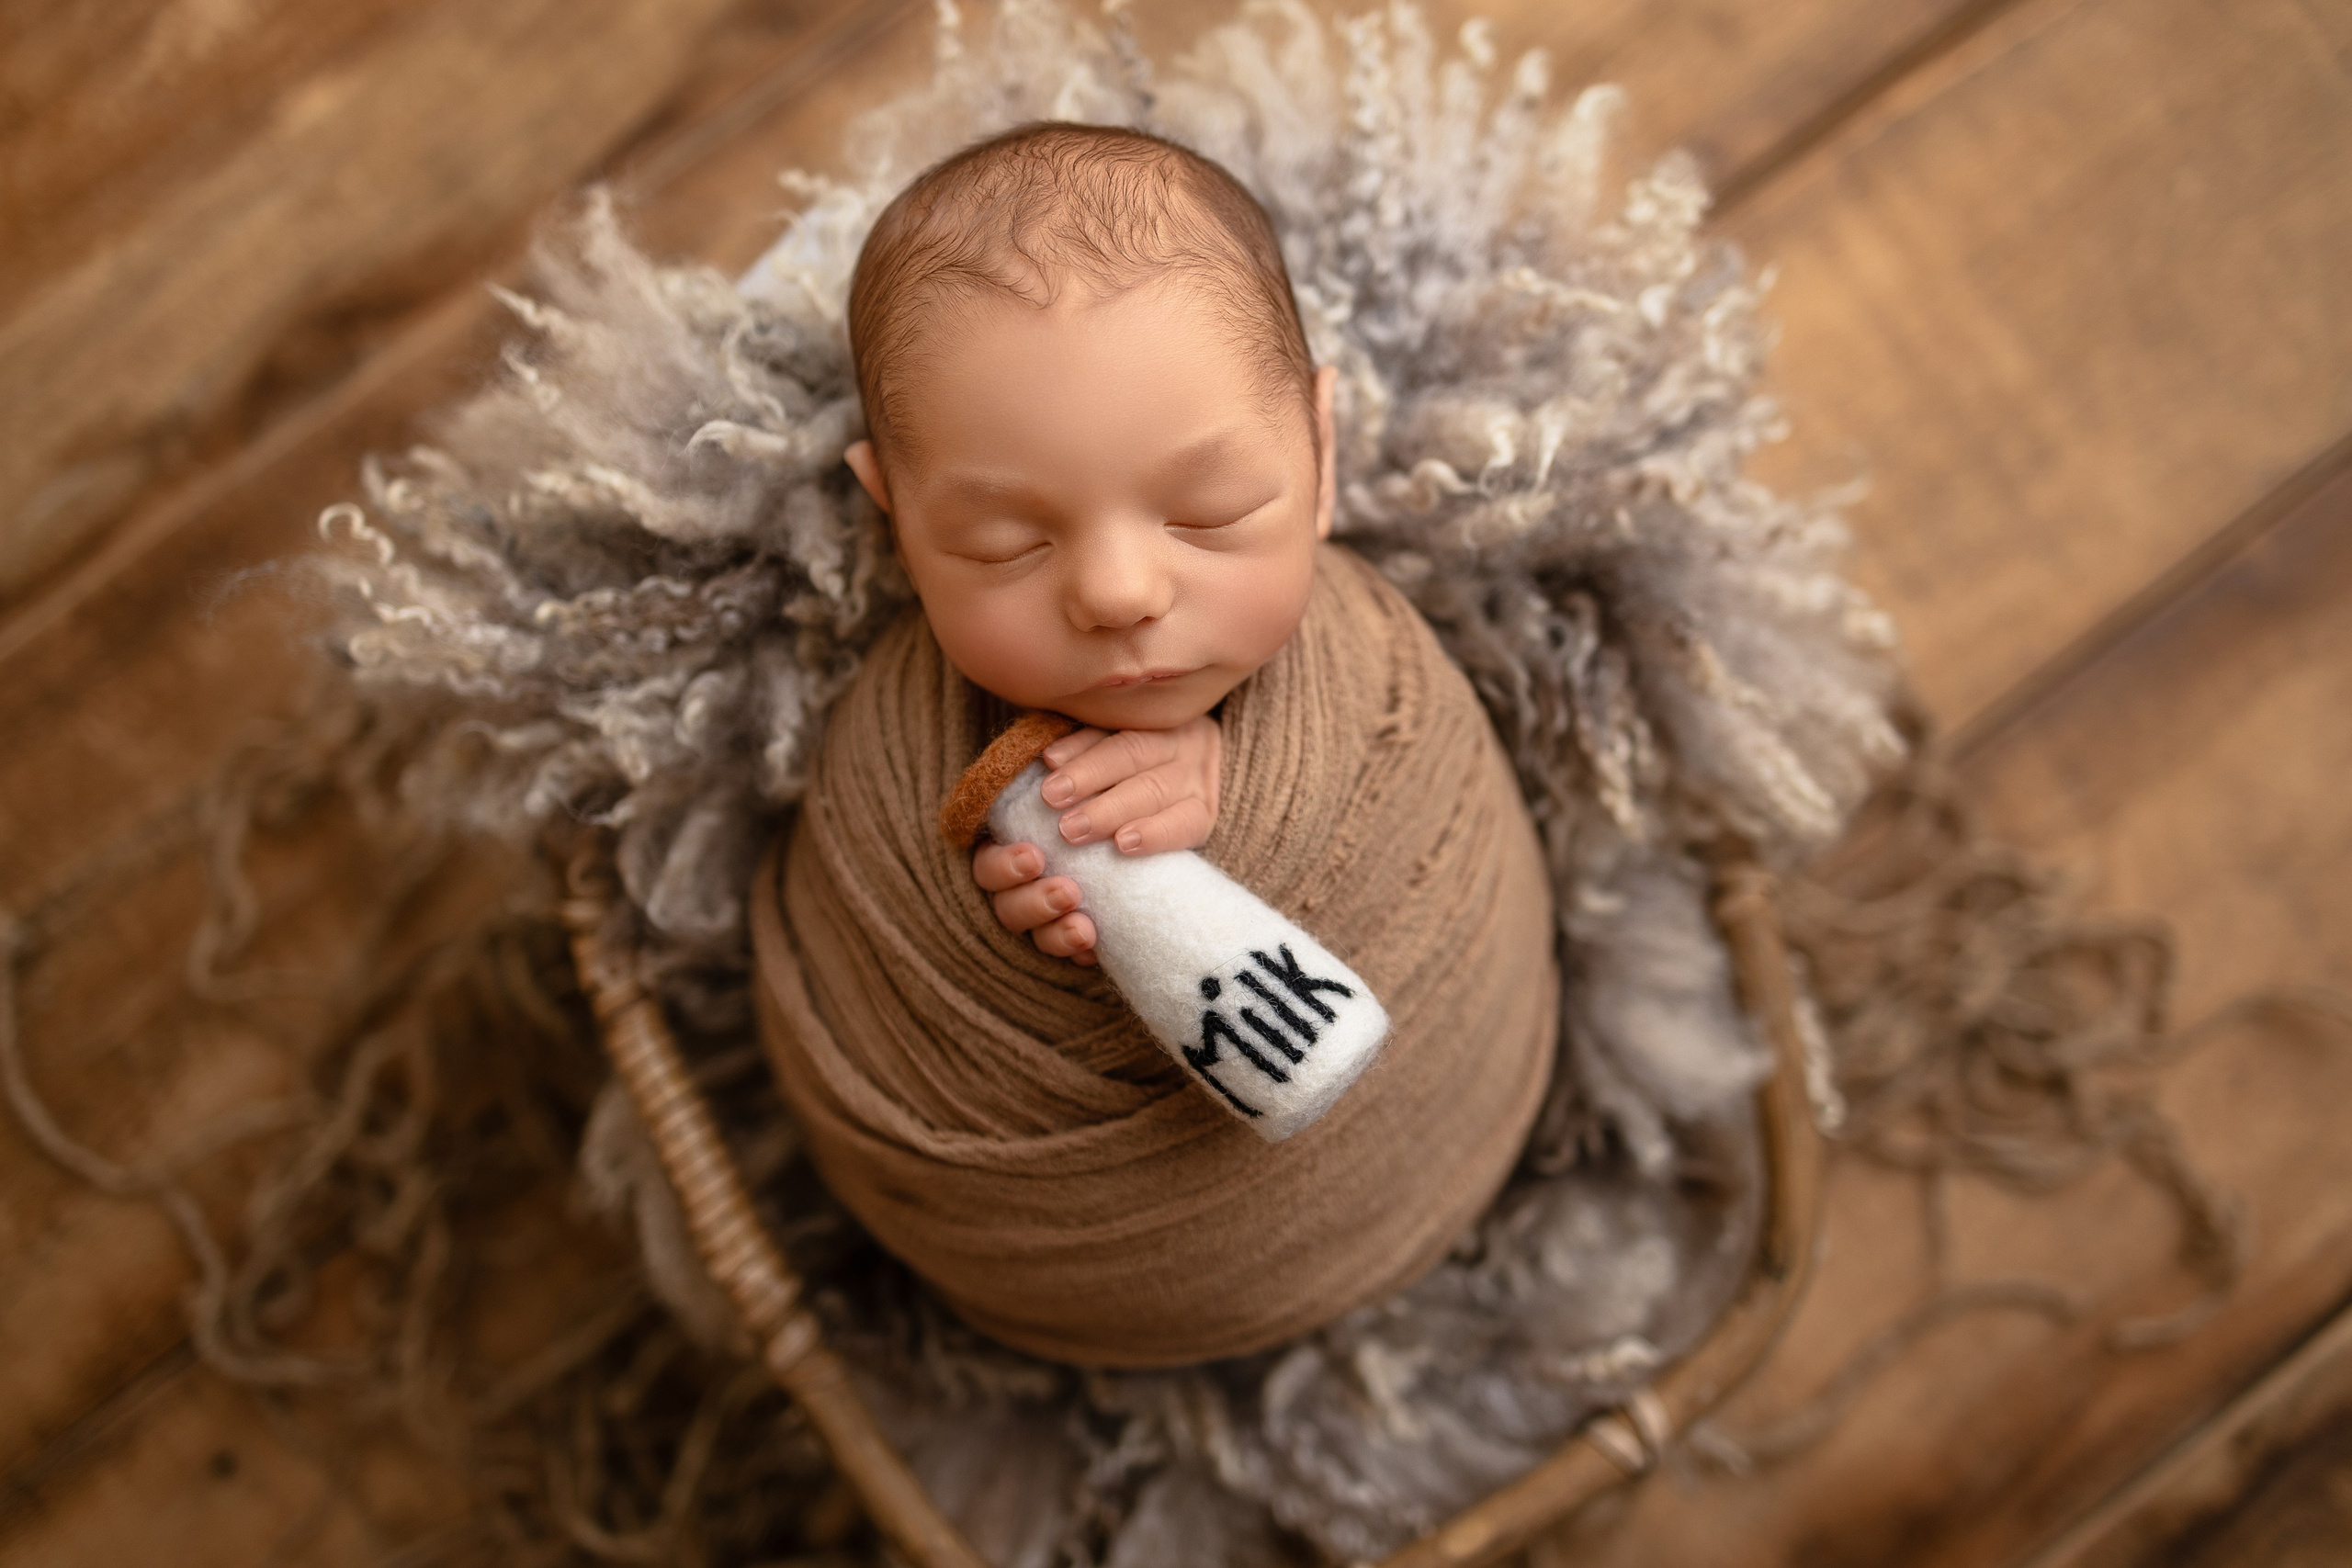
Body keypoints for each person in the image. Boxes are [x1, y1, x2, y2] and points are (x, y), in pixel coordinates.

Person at [840, 121, 1337, 967]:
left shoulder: (1373, 662)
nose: (1117, 594)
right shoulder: (883, 742)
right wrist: (991, 927)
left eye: (1207, 512)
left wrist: (1250, 787)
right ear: (895, 520)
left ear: (1324, 456)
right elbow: (857, 925)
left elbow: (1431, 781)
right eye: (1004, 545)